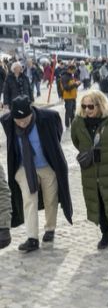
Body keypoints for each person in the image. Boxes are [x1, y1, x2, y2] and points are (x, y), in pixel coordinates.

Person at [2, 95, 74, 252]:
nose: (22, 123)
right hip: (23, 168)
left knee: (51, 199)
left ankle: (50, 228)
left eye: (25, 120)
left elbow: (58, 134)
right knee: (29, 200)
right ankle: (32, 238)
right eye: (18, 121)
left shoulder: (48, 118)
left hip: (47, 166)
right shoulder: (8, 122)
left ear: (31, 113)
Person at [70, 89, 108, 249]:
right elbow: (76, 142)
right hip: (91, 170)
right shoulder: (78, 122)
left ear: (100, 104)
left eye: (91, 106)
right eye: (84, 106)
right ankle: (106, 234)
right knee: (98, 202)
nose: (87, 110)